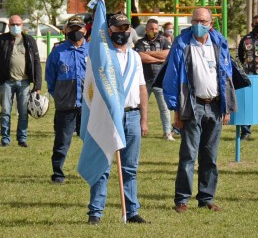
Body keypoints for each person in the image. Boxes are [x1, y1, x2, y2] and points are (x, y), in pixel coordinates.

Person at [163, 7, 237, 213]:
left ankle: (206, 198)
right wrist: (176, 110)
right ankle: (182, 200)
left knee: (210, 156)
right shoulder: (182, 44)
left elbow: (227, 76)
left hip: (214, 106)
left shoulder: (219, 43)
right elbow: (172, 78)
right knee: (188, 155)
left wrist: (226, 106)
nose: (199, 24)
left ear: (211, 23)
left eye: (203, 21)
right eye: (196, 20)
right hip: (192, 105)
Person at [87, 12, 149, 224]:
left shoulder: (135, 57)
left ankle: (132, 211)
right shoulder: (102, 57)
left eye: (125, 28)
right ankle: (96, 212)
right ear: (109, 30)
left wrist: (144, 119)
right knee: (103, 165)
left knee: (130, 167)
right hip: (108, 116)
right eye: (117, 28)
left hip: (131, 114)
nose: (122, 32)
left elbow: (142, 89)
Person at [45, 16, 88, 185]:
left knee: (90, 142)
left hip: (87, 106)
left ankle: (90, 171)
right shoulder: (58, 52)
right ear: (66, 31)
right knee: (62, 142)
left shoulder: (92, 51)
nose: (76, 32)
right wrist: (60, 96)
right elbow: (51, 78)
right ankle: (58, 173)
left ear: (85, 30)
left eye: (79, 28)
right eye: (72, 29)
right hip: (66, 106)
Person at [0, 15, 41, 147]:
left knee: (23, 112)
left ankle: (22, 138)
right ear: (9, 25)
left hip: (24, 82)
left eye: (18, 24)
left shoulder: (29, 40)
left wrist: (37, 84)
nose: (15, 26)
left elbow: (36, 62)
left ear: (22, 25)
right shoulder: (0, 40)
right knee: (6, 111)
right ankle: (5, 139)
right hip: (6, 82)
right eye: (13, 24)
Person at [134, 18, 173, 140]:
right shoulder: (140, 42)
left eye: (156, 29)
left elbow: (167, 54)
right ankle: (139, 130)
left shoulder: (164, 40)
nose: (154, 31)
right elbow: (140, 57)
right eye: (151, 28)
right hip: (144, 81)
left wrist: (149, 54)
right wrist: (159, 59)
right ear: (146, 29)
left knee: (164, 108)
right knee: (141, 107)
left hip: (160, 80)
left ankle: (167, 132)